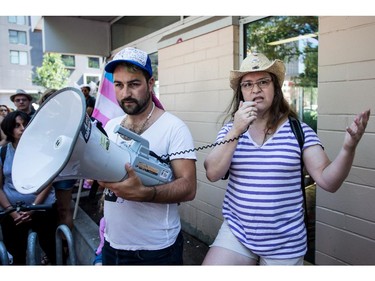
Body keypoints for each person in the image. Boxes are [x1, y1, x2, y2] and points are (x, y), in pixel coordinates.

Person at [202, 52, 370, 266]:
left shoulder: (298, 130)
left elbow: (329, 182)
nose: (255, 89)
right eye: (247, 84)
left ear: (275, 88)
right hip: (237, 232)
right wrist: (236, 129)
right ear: (241, 93)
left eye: (263, 82)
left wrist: (348, 148)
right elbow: (213, 173)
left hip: (285, 242)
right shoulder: (231, 131)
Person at [98, 47, 197, 265]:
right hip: (112, 244)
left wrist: (144, 193)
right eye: (119, 85)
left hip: (155, 250)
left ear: (150, 84)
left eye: (134, 84)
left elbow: (189, 188)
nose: (125, 93)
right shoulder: (111, 126)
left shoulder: (174, 128)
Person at [0, 111, 58, 265]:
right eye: (17, 125)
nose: (22, 128)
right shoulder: (3, 152)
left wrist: (33, 208)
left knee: (51, 249)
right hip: (12, 212)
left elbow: (48, 182)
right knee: (16, 253)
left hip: (42, 208)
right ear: (8, 129)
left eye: (25, 124)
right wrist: (12, 212)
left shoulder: (43, 150)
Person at [38, 89, 77, 231]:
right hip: (45, 170)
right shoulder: (40, 121)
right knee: (48, 210)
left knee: (63, 209)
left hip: (63, 172)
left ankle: (66, 247)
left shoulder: (70, 120)